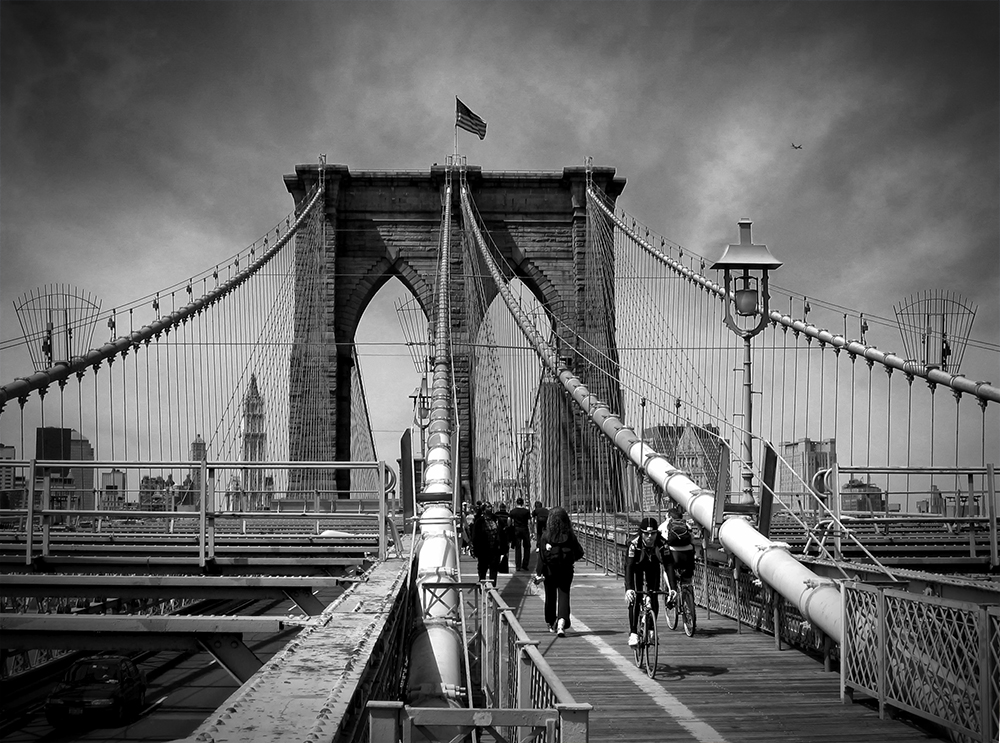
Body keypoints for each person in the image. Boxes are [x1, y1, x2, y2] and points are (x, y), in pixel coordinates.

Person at [624, 516, 676, 647]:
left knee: (654, 595)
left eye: (653, 534)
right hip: (636, 567)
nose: (649, 537)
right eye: (646, 534)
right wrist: (629, 589)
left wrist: (673, 588)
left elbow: (669, 565)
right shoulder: (634, 544)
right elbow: (629, 567)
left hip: (653, 566)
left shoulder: (662, 543)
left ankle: (652, 629)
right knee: (636, 596)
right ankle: (633, 632)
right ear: (641, 533)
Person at [533, 506, 584, 637]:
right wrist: (570, 558)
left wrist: (538, 573)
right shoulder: (570, 536)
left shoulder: (545, 536)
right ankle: (562, 621)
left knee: (550, 596)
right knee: (564, 594)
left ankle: (551, 621)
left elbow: (542, 558)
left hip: (550, 571)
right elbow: (580, 552)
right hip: (566, 570)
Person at [660, 505, 695, 588]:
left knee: (667, 570)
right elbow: (692, 538)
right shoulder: (686, 524)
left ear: (669, 516)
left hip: (673, 555)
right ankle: (688, 592)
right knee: (687, 577)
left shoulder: (664, 525)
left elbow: (660, 540)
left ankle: (671, 590)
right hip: (687, 555)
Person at [471, 503, 501, 585]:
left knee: (494, 569)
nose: (490, 508)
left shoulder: (496, 519)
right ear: (483, 510)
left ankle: (493, 588)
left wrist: (503, 547)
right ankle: (482, 585)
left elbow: (502, 533)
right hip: (483, 549)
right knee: (482, 569)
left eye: (491, 507)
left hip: (494, 549)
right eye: (488, 507)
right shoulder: (479, 521)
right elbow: (475, 536)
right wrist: (475, 549)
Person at [508, 497, 532, 571]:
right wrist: (531, 531)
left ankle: (518, 565)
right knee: (527, 547)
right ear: (523, 503)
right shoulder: (526, 511)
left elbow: (509, 520)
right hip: (524, 529)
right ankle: (525, 564)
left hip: (516, 530)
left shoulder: (513, 511)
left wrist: (510, 527)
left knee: (518, 548)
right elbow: (529, 522)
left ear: (516, 503)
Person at [495, 502, 511, 573]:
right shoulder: (508, 515)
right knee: (505, 551)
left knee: (497, 551)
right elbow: (509, 524)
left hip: (498, 535)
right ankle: (504, 567)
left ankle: (497, 566)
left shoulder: (496, 514)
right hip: (505, 535)